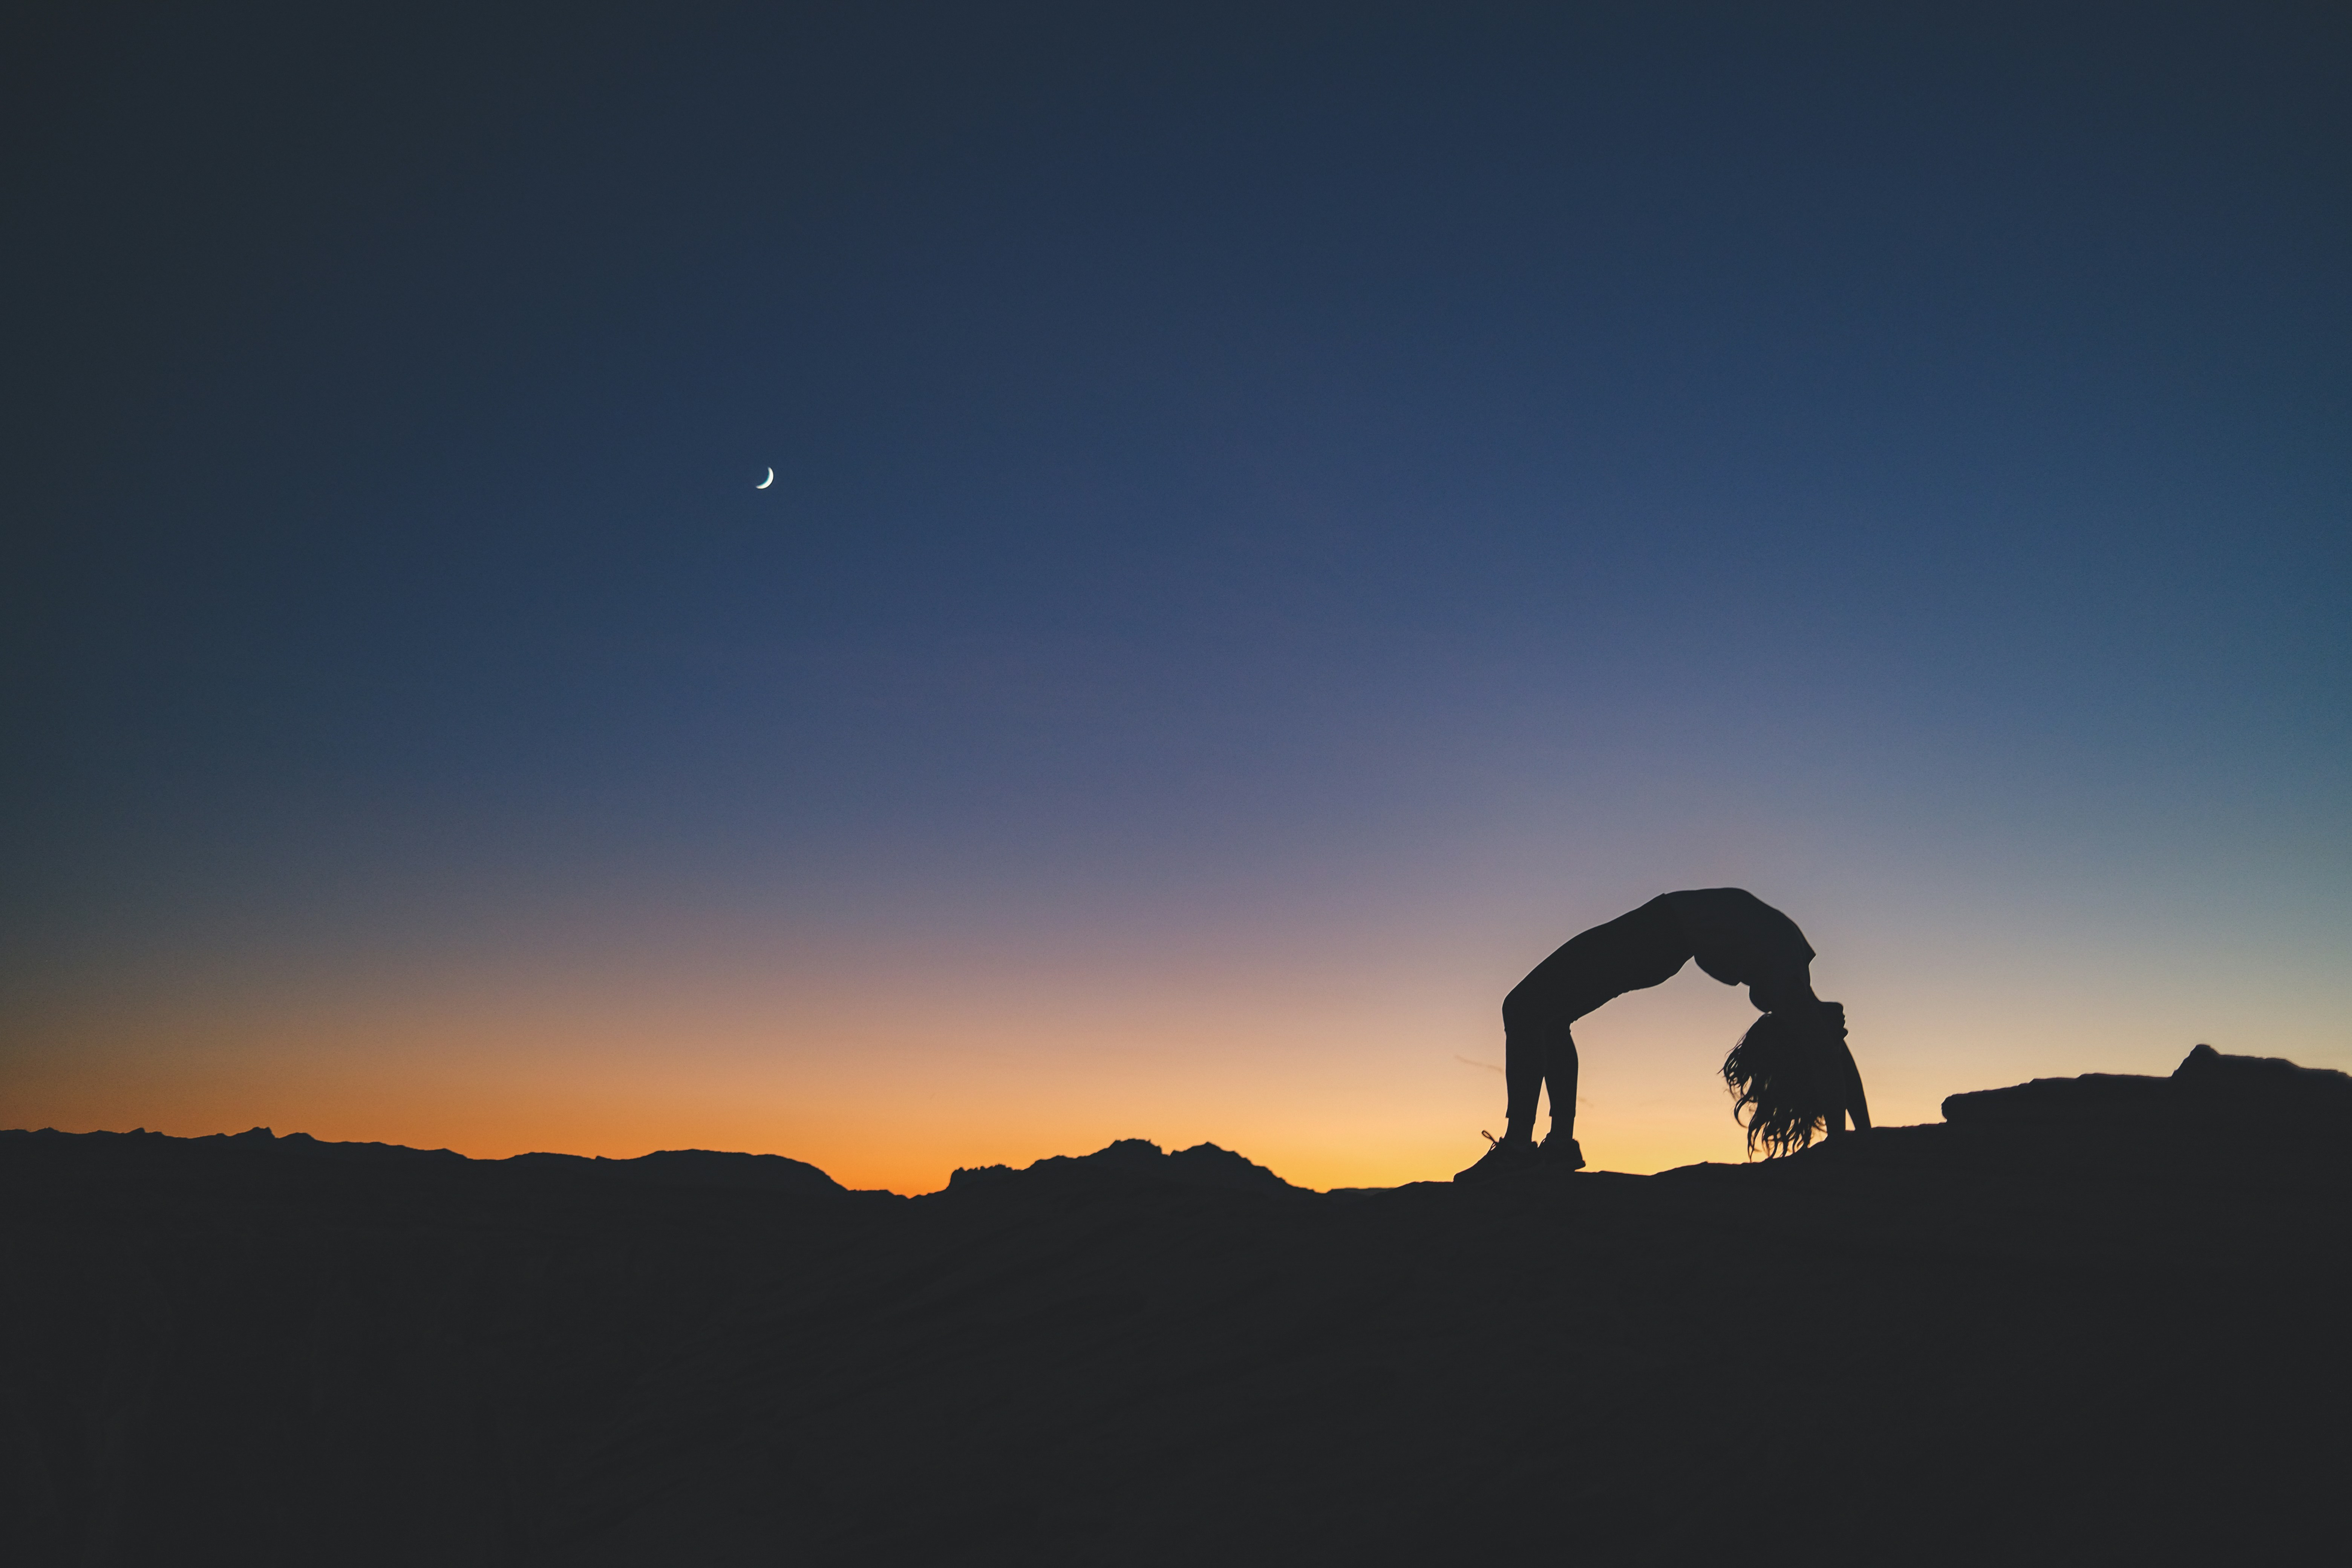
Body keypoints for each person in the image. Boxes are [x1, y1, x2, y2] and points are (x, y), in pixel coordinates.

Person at [1456, 888, 1868, 1180]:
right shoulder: (1791, 970)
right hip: (1661, 933)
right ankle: (1558, 1145)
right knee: (1547, 1016)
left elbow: (1825, 1050)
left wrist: (1841, 1140)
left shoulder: (1785, 973)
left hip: (1658, 933)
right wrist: (1858, 1134)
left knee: (1524, 1008)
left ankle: (1518, 1149)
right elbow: (1830, 1047)